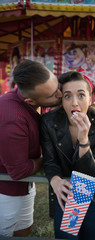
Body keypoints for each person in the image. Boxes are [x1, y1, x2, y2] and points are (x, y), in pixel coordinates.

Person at [40, 71, 95, 240]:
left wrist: (83, 139)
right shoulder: (49, 121)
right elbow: (50, 160)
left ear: (90, 99)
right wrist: (55, 180)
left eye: (81, 95)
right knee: (67, 237)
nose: (75, 103)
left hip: (93, 191)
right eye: (68, 96)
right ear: (61, 101)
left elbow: (92, 172)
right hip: (66, 190)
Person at [0, 60, 62, 237]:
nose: (59, 94)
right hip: (6, 193)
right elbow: (19, 171)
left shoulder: (31, 99)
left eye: (57, 86)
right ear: (30, 100)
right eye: (51, 95)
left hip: (24, 186)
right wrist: (49, 159)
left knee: (24, 230)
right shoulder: (11, 117)